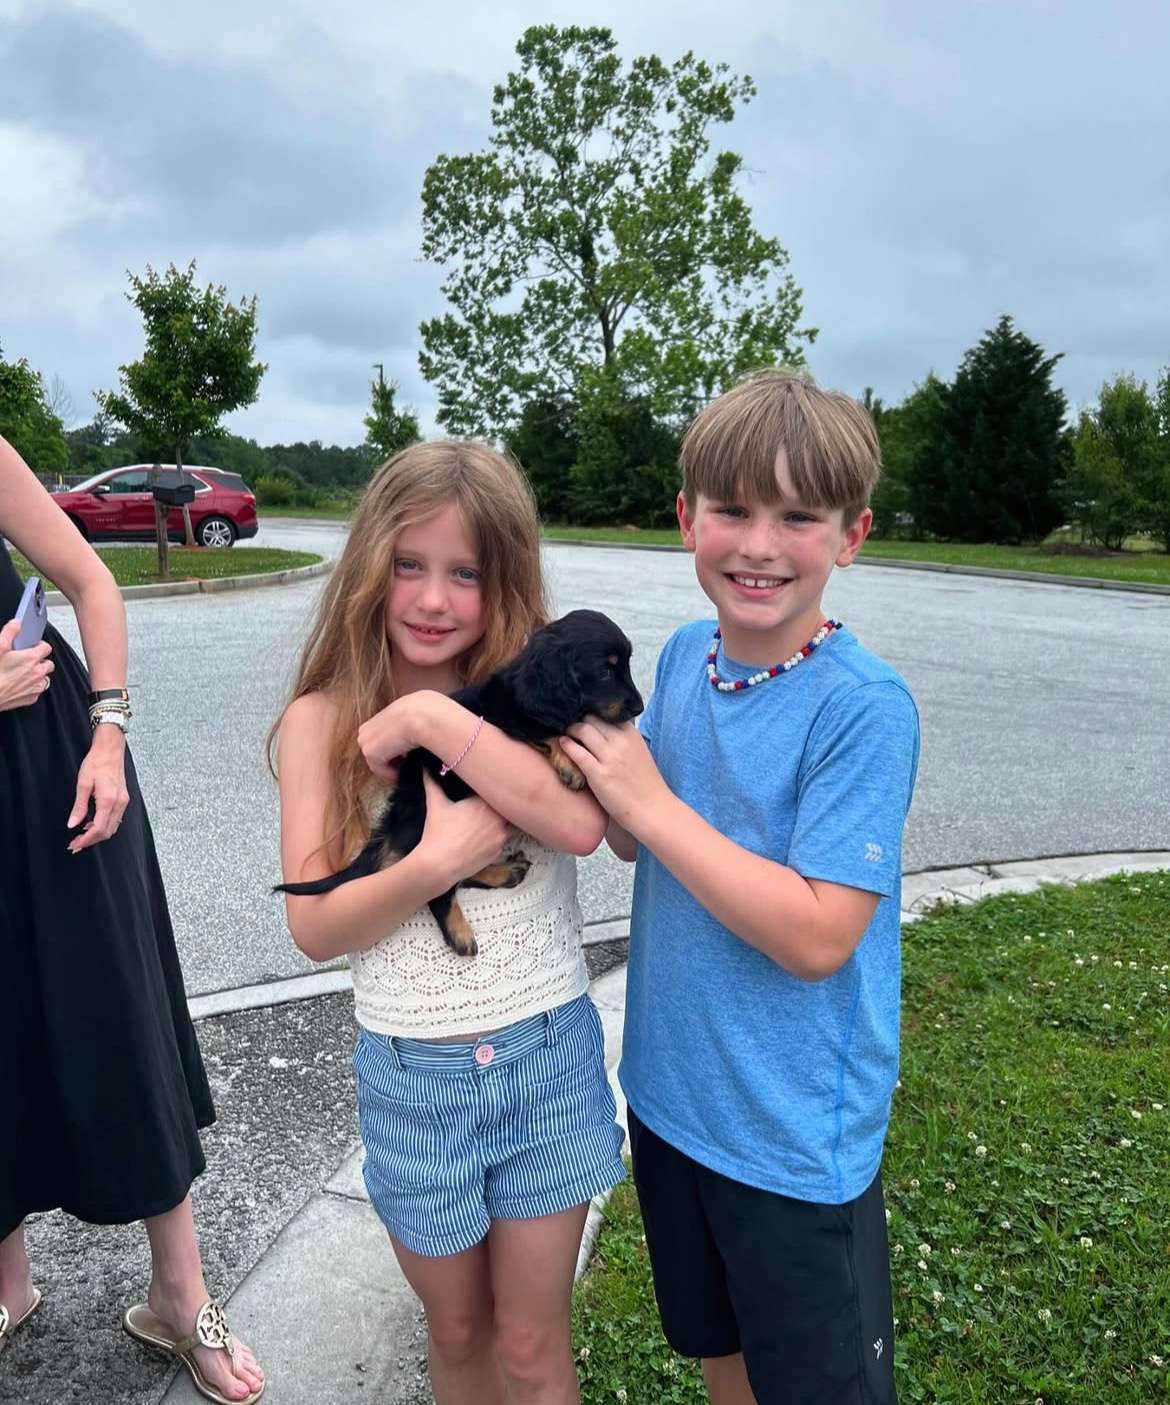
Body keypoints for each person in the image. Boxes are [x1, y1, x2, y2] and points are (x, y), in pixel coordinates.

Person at [561, 369, 921, 1405]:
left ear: (849, 536)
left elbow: (818, 936)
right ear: (687, 519)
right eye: (732, 510)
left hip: (793, 1133)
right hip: (676, 1099)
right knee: (725, 1354)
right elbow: (640, 847)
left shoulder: (861, 709)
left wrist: (652, 804)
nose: (759, 545)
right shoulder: (680, 658)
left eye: (798, 516)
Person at [272, 439, 625, 1405]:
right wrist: (436, 862)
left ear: (502, 579)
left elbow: (581, 824)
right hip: (413, 1078)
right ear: (367, 569)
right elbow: (315, 922)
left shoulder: (535, 700)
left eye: (465, 573)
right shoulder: (321, 719)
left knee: (529, 1342)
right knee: (458, 1329)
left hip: (544, 1054)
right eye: (410, 565)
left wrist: (432, 722)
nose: (434, 599)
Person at [0, 436, 264, 1403]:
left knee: (116, 1001)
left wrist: (108, 730)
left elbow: (89, 581)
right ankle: (8, 1288)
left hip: (58, 765)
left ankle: (178, 1289)